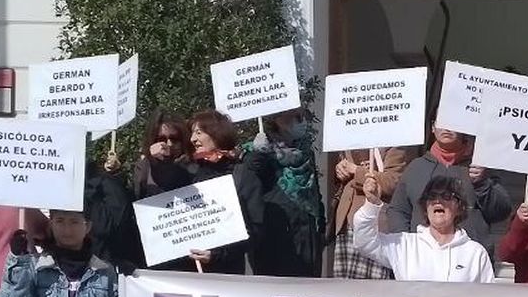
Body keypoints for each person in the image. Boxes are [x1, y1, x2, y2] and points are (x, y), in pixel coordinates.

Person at [87, 110, 193, 271]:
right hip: (150, 253)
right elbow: (131, 202)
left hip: (185, 254)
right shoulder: (144, 167)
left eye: (175, 139)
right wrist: (116, 176)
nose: (168, 144)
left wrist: (162, 164)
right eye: (161, 139)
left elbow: (175, 181)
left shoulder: (193, 166)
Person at [388, 125, 514, 257]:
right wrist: (407, 245)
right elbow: (398, 210)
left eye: (452, 124)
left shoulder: (480, 168)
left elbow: (501, 211)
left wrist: (482, 183)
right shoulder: (416, 167)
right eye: (441, 123)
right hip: (422, 258)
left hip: (468, 261)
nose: (446, 129)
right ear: (432, 127)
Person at [353, 172, 496, 282]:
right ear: (425, 208)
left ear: (459, 207)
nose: (438, 201)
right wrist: (371, 204)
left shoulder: (475, 253)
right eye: (432, 197)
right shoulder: (405, 245)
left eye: (446, 196)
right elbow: (365, 242)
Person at [174, 108, 265, 274]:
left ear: (217, 134)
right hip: (187, 272)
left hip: (227, 273)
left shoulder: (242, 175)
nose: (193, 139)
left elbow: (255, 229)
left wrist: (217, 255)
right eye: (192, 134)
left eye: (199, 133)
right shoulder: (186, 171)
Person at [245, 109, 325, 277]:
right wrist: (259, 154)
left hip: (307, 232)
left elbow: (315, 193)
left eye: (304, 117)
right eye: (297, 117)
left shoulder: (305, 151)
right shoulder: (259, 151)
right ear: (279, 120)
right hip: (276, 237)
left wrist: (322, 227)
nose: (302, 122)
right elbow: (252, 174)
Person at [330, 145, 412, 279]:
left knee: (373, 285)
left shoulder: (394, 144)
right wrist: (340, 170)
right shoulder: (349, 141)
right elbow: (343, 175)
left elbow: (394, 182)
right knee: (343, 285)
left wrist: (357, 171)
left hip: (376, 225)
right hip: (346, 223)